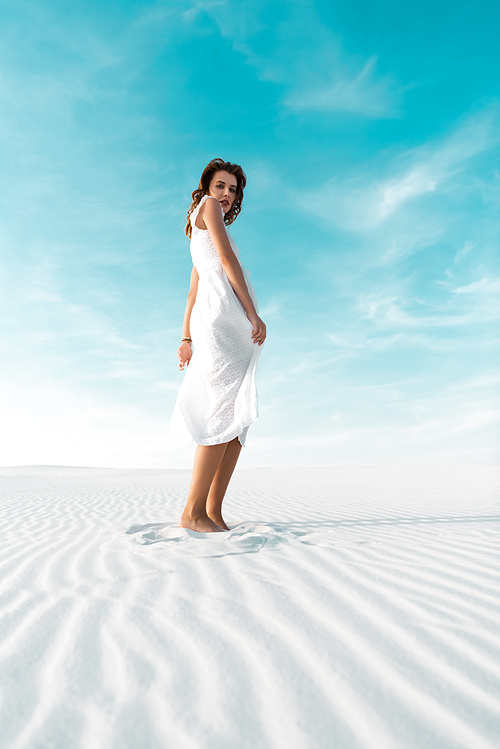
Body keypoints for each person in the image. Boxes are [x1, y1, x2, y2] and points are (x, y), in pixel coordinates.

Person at [169, 158, 266, 533]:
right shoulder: (208, 209)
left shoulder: (201, 228)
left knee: (236, 414)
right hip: (225, 315)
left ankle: (213, 511)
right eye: (221, 186)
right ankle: (193, 512)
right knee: (225, 409)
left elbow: (192, 289)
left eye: (233, 189)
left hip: (218, 317)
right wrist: (254, 314)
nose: (227, 194)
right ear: (207, 187)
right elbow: (225, 261)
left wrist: (185, 338)